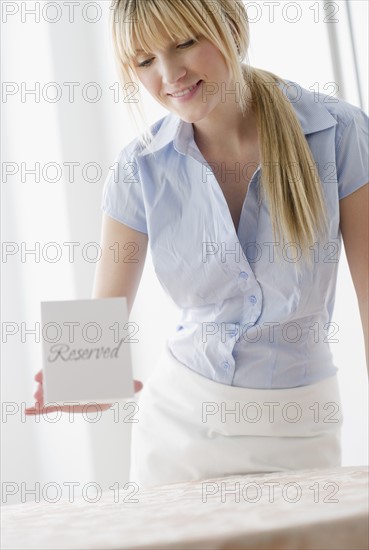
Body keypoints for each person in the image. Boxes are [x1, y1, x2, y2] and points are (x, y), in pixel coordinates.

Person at [26, 0, 369, 489]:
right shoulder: (137, 170)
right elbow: (102, 326)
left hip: (299, 426)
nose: (170, 74)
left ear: (231, 25)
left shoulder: (340, 132)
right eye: (144, 61)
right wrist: (83, 382)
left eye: (184, 42)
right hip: (177, 428)